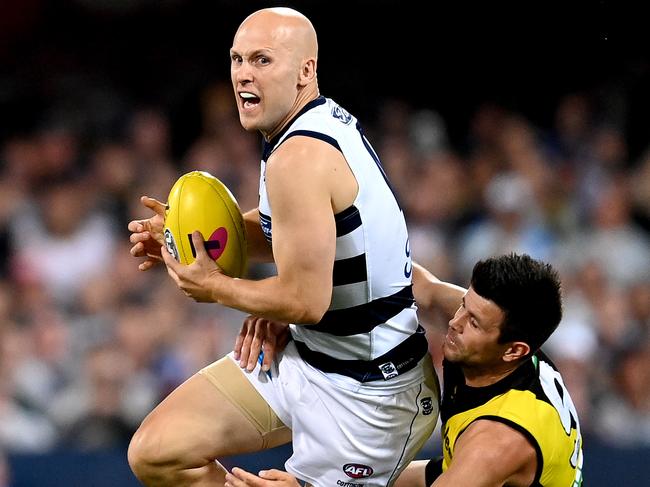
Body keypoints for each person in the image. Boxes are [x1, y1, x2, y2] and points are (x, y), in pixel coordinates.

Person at [127, 7, 438, 487]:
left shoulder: (297, 157)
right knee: (157, 452)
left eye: (262, 60)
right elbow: (293, 232)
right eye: (236, 59)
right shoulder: (313, 125)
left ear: (305, 71)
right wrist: (192, 235)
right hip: (313, 358)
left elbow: (304, 301)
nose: (243, 74)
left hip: (372, 396)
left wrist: (216, 287)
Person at [226, 253, 584, 487]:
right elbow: (412, 283)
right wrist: (299, 307)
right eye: (463, 304)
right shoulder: (496, 343)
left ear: (515, 351)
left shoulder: (494, 442)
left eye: (473, 321)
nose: (455, 322)